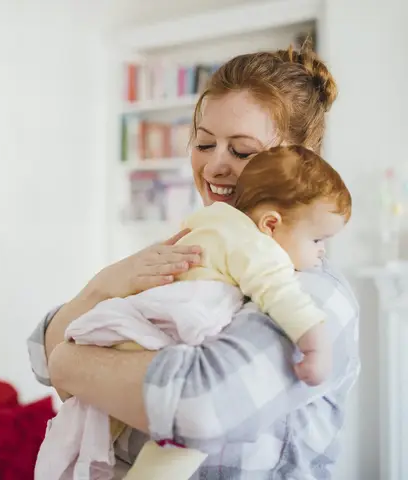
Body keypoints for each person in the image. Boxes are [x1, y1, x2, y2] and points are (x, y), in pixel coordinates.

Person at [27, 43, 360, 479]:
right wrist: (102, 287)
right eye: (204, 142)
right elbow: (39, 352)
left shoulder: (315, 293)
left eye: (241, 151)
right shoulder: (194, 248)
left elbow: (200, 408)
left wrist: (72, 364)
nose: (213, 166)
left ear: (300, 159)